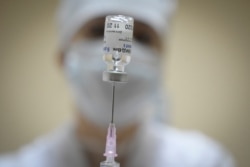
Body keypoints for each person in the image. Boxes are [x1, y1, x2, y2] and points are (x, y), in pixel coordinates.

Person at [0, 0, 235, 167]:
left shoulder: (205, 161)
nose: (122, 53)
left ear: (161, 60)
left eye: (142, 37)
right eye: (97, 30)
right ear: (63, 57)